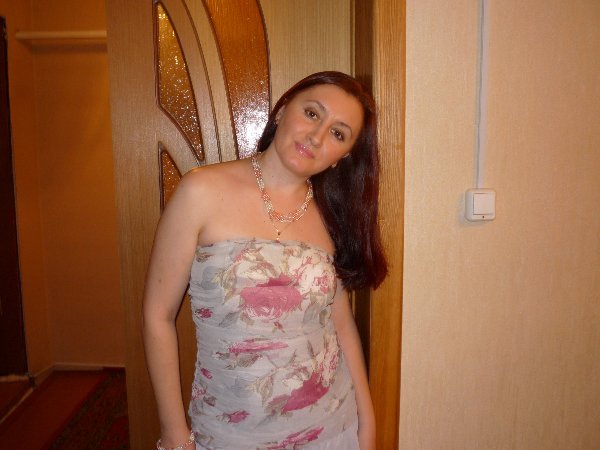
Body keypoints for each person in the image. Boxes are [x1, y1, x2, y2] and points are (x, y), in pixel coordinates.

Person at [143, 71, 388, 450]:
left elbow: (341, 326)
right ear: (283, 109)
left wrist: (367, 425)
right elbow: (157, 316)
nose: (317, 136)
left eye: (338, 134)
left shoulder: (331, 215)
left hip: (331, 430)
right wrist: (174, 433)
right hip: (228, 435)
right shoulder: (200, 191)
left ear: (343, 157)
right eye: (312, 113)